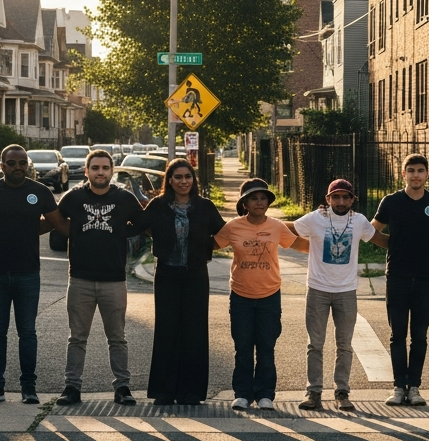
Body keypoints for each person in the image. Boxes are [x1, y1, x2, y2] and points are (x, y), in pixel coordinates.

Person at [51, 149, 146, 407]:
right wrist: (72, 232)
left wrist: (121, 233)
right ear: (86, 171)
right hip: (80, 278)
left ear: (112, 171)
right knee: (77, 337)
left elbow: (141, 222)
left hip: (114, 279)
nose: (100, 172)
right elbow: (58, 220)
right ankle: (71, 387)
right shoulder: (74, 197)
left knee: (117, 337)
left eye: (105, 168)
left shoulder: (124, 198)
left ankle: (122, 387)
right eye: (95, 168)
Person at [290, 179, 386, 411]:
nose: (341, 201)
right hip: (317, 289)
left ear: (352, 200)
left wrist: (415, 245)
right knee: (315, 344)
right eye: (336, 197)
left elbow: (380, 240)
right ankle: (313, 392)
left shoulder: (360, 221)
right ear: (328, 199)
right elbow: (289, 232)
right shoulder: (315, 218)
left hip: (346, 291)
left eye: (346, 197)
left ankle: (342, 391)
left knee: (344, 344)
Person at [214, 178, 309, 410]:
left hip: (269, 295)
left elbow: (301, 245)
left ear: (268, 202)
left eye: (263, 198)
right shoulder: (233, 227)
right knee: (243, 347)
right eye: (253, 198)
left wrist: (331, 241)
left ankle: (266, 394)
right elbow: (211, 245)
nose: (259, 202)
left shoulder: (277, 227)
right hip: (241, 296)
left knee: (266, 347)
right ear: (244, 203)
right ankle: (243, 393)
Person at [0, 144, 57, 405]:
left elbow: (55, 222)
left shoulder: (40, 192)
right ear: (2, 167)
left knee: (27, 332)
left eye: (23, 162)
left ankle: (28, 388)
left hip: (28, 273)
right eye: (12, 163)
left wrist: (31, 230)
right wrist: (1, 232)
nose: (18, 167)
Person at [142, 158, 225, 405]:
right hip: (167, 274)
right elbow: (142, 226)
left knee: (195, 331)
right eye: (177, 177)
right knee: (167, 330)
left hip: (196, 275)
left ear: (193, 180)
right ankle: (165, 391)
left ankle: (192, 392)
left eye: (187, 177)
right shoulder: (158, 205)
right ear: (169, 180)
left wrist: (205, 249)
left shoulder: (205, 206)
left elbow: (223, 232)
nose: (183, 181)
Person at [371, 154, 429, 406]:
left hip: (425, 278)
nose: (416, 175)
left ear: (428, 174)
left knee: (420, 336)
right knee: (397, 335)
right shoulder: (391, 202)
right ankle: (398, 387)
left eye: (421, 171)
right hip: (397, 277)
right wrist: (390, 244)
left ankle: (414, 387)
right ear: (403, 174)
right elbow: (373, 230)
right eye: (411, 170)